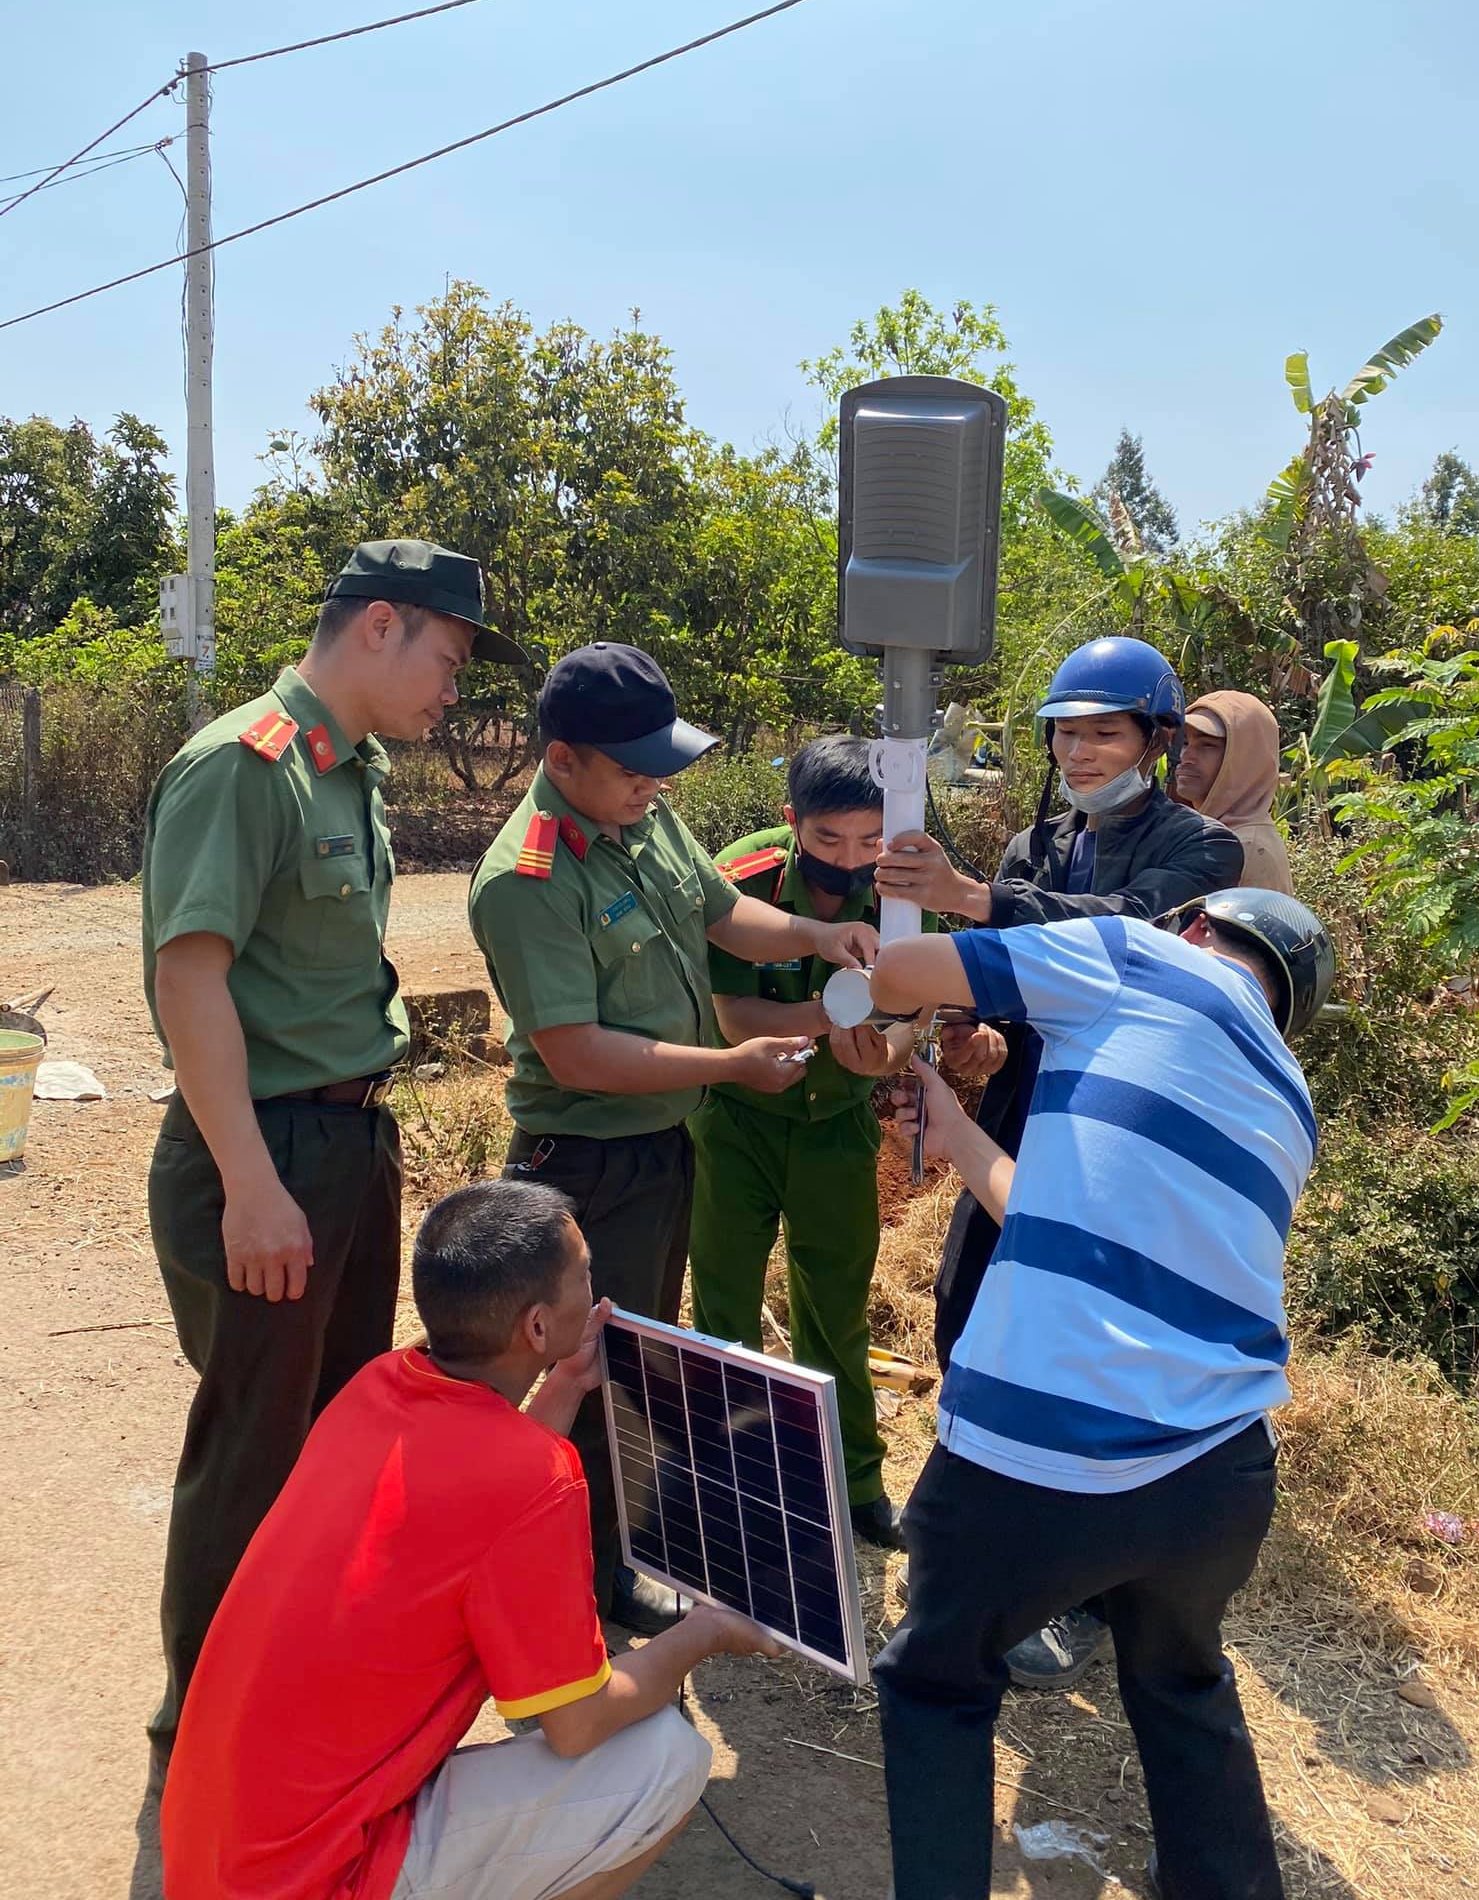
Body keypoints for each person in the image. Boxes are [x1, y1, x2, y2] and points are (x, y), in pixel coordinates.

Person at [141, 538, 525, 1774]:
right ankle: (203, 1721)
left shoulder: (343, 771)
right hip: (266, 1144)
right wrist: (251, 1183)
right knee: (255, 1439)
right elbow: (187, 975)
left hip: (345, 1135)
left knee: (332, 1435)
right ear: (381, 626)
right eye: (451, 659)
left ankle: (289, 1681)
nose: (454, 691)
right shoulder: (244, 766)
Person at [868, 891, 1336, 1900]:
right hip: (1217, 1471)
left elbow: (900, 975)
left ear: (1197, 923)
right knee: (1180, 1680)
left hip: (1037, 1449)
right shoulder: (1288, 1098)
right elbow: (1059, 1214)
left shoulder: (1138, 953)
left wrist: (888, 979)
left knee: (935, 1685)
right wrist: (951, 1131)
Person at [161, 1177, 782, 1900]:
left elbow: (477, 1493)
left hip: (218, 1853)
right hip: (319, 1877)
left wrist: (561, 1389)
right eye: (584, 1274)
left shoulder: (378, 1386)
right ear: (538, 1329)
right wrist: (704, 1633)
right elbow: (576, 1724)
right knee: (665, 1755)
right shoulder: (537, 1481)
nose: (596, 1285)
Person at [469, 644, 877, 1634]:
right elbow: (578, 1054)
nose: (653, 786)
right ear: (563, 759)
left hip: (661, 1148)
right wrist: (732, 1065)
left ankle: (613, 1558)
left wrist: (815, 937)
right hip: (589, 1161)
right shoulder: (527, 879)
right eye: (633, 769)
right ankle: (553, 1576)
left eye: (660, 768)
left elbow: (723, 911)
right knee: (577, 1368)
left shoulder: (637, 817)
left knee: (627, 1370)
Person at [874, 636, 1245, 1687]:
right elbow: (996, 980)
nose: (1081, 750)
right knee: (967, 1304)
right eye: (1066, 732)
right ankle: (980, 1527)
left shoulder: (1204, 850)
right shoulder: (1040, 843)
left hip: (1126, 1130)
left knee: (1091, 1346)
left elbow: (1129, 937)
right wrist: (965, 1032)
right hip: (1029, 1107)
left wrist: (977, 903)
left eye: (1104, 731)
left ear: (1155, 742)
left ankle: (1085, 1589)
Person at [688, 735, 934, 1550]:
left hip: (835, 1126)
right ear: (791, 820)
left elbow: (911, 1014)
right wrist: (835, 1020)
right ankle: (741, 1477)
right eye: (827, 840)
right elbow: (736, 1020)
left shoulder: (903, 889)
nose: (850, 859)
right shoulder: (745, 880)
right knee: (726, 1301)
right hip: (736, 1122)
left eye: (868, 840)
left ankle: (854, 1478)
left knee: (835, 1307)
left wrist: (884, 1054)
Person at [1174, 689, 1295, 893]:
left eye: (1207, 745)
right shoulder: (1212, 836)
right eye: (1185, 743)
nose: (1186, 757)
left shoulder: (1247, 849)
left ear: (1244, 759)